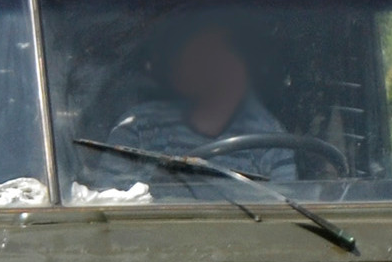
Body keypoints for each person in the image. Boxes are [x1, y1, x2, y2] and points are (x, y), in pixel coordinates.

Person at [104, 22, 296, 183]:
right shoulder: (139, 127)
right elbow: (106, 203)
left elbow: (286, 212)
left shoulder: (269, 140)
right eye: (196, 55)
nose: (205, 66)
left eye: (216, 55)